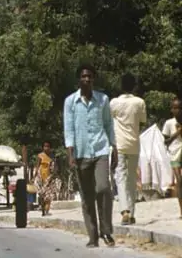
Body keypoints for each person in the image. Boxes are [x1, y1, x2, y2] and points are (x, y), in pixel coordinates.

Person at [64, 64, 116, 248]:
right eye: (84, 76)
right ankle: (93, 236)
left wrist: (114, 147)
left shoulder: (103, 99)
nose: (87, 79)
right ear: (79, 80)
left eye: (90, 76)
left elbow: (108, 124)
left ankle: (106, 231)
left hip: (100, 150)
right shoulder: (70, 102)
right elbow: (69, 129)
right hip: (81, 153)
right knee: (87, 197)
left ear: (94, 79)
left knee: (103, 188)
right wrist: (70, 153)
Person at [109, 73, 146, 226]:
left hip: (119, 145)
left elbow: (109, 121)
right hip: (134, 144)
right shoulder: (139, 102)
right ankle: (131, 213)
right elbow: (142, 121)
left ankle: (124, 210)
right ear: (134, 87)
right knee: (132, 179)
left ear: (121, 86)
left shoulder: (114, 103)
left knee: (120, 177)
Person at [162, 98, 182, 219]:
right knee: (179, 181)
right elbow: (166, 141)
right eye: (174, 108)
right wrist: (177, 132)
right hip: (175, 153)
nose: (177, 110)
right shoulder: (169, 123)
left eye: (179, 108)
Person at [33, 141, 58, 217]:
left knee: (48, 195)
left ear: (50, 148)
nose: (46, 148)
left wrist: (54, 174)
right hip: (41, 177)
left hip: (49, 178)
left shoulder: (53, 157)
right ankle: (43, 210)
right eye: (45, 146)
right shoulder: (40, 156)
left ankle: (47, 211)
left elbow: (55, 167)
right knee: (41, 194)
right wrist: (34, 177)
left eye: (48, 146)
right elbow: (37, 166)